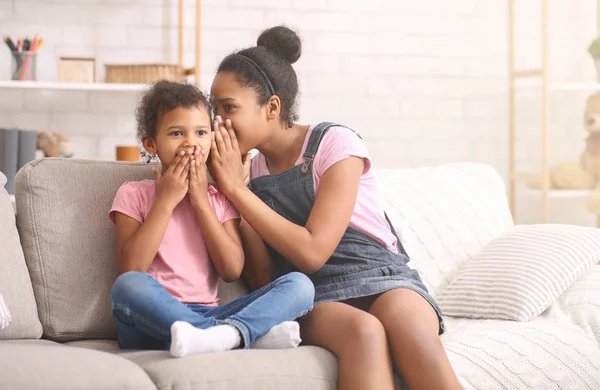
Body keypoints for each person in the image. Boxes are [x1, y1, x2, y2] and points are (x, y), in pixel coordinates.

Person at [208, 26, 462, 389]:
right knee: (364, 331)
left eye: (228, 107)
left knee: (409, 330)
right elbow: (266, 282)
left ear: (272, 107)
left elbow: (313, 249)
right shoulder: (247, 173)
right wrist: (237, 194)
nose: (218, 120)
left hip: (381, 276)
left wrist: (236, 189)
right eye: (213, 106)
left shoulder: (336, 144)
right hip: (313, 293)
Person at [109, 80, 315, 358]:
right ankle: (239, 335)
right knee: (127, 287)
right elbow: (131, 267)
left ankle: (220, 335)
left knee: (300, 286)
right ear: (151, 143)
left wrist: (200, 201)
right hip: (152, 321)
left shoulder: (217, 198)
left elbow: (231, 269)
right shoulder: (134, 194)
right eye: (176, 133)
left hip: (209, 309)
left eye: (201, 132)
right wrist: (166, 201)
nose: (190, 143)